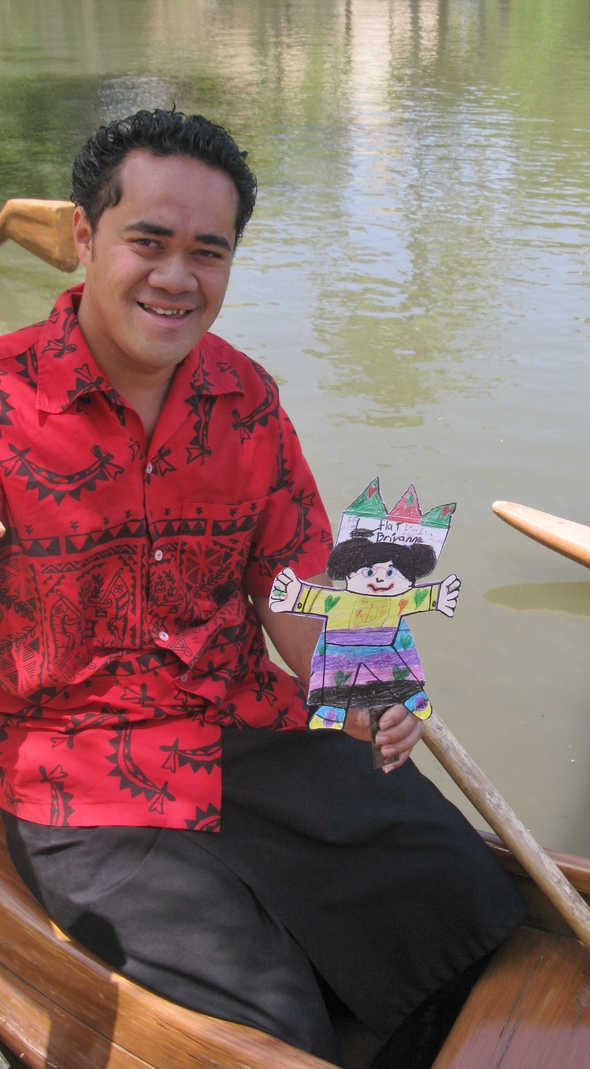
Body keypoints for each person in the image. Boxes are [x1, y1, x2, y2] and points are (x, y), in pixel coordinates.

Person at [0, 110, 525, 1067]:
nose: (176, 276)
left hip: (244, 726)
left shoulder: (246, 399)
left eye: (208, 251)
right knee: (267, 1015)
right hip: (79, 772)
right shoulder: (7, 402)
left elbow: (293, 583)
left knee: (461, 891)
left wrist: (361, 683)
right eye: (148, 241)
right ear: (84, 235)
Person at [270, 534, 460, 730]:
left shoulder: (399, 601)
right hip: (340, 653)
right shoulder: (338, 600)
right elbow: (313, 599)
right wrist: (292, 594)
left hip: (384, 649)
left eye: (390, 572)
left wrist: (441, 595)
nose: (380, 578)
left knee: (399, 673)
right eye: (369, 572)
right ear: (349, 574)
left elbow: (421, 597)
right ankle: (332, 712)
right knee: (335, 682)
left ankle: (413, 697)